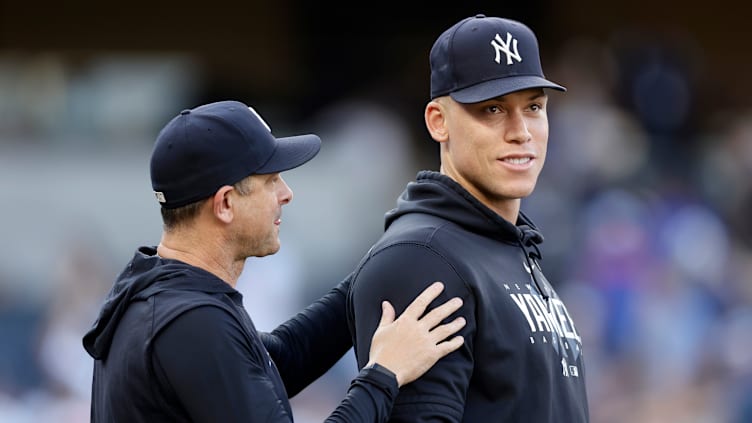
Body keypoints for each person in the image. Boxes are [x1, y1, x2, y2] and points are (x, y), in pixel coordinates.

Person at [81, 100, 466, 422]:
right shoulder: (190, 321)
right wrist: (385, 373)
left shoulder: (162, 295)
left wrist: (388, 263)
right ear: (226, 204)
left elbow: (271, 361)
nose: (286, 194)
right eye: (271, 180)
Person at [346, 14, 590, 422]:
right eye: (493, 109)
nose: (521, 132)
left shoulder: (506, 248)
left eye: (533, 107)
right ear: (438, 121)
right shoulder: (423, 260)